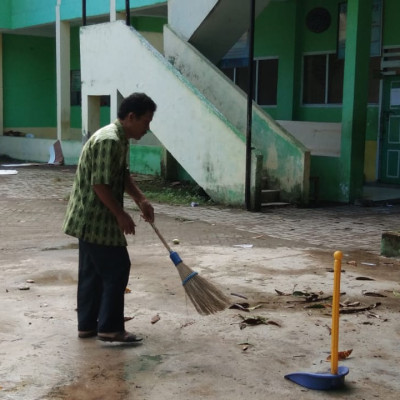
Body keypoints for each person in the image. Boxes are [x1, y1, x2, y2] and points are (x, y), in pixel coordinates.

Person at [63, 92, 156, 343]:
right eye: (146, 122)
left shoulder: (121, 139)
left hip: (93, 217)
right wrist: (121, 214)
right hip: (94, 218)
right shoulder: (110, 140)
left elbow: (122, 175)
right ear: (131, 117)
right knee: (117, 267)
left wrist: (141, 200)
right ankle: (110, 328)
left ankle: (88, 326)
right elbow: (100, 185)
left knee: (92, 272)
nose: (147, 128)